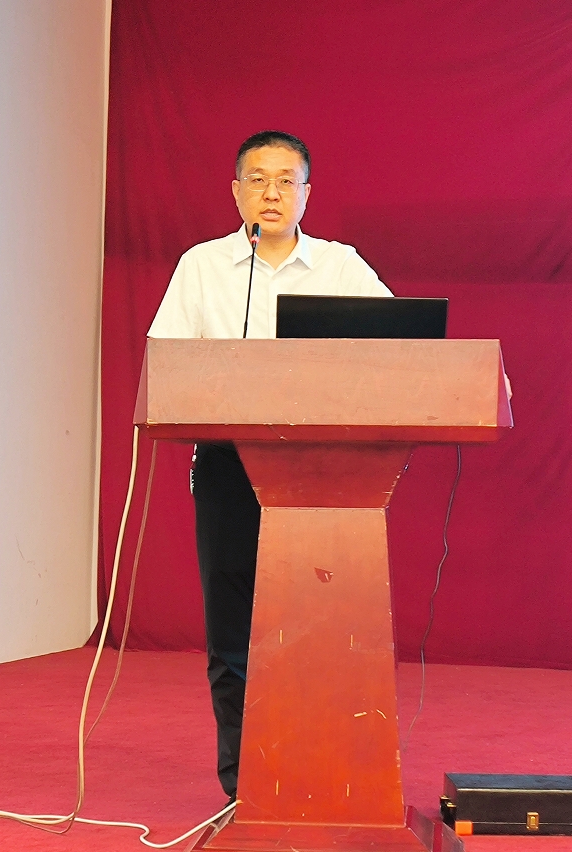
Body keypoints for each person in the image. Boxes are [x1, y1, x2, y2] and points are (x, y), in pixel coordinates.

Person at [147, 130, 391, 800]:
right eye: (258, 179)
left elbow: (406, 349)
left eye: (287, 180)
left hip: (326, 469)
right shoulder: (202, 267)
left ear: (307, 193)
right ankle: (246, 787)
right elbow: (165, 363)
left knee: (323, 629)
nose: (272, 193)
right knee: (233, 631)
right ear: (236, 192)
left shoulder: (341, 267)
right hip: (229, 464)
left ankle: (329, 777)